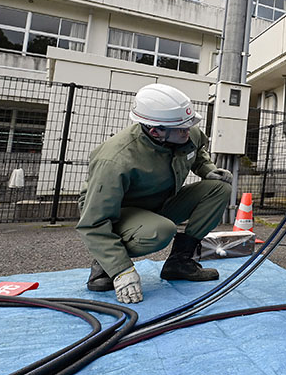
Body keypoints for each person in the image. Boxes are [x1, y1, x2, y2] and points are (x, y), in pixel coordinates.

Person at [76, 83, 233, 304]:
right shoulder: (115, 159)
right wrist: (123, 270)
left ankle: (179, 262)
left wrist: (208, 170)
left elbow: (197, 153)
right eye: (181, 128)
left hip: (160, 201)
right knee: (160, 231)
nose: (188, 131)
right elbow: (93, 222)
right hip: (119, 212)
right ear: (155, 130)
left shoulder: (184, 132)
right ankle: (106, 264)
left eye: (189, 124)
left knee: (219, 188)